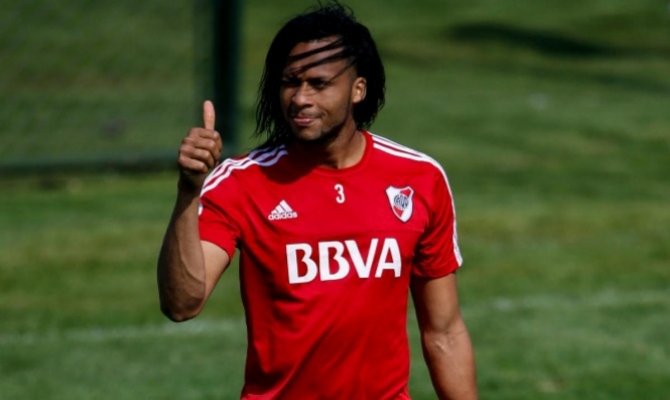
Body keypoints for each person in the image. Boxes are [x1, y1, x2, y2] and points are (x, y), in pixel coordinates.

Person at [157, 3, 477, 399]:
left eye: (319, 83)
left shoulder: (420, 179)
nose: (299, 98)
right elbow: (182, 304)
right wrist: (188, 192)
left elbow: (444, 332)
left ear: (358, 89)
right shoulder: (241, 182)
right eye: (290, 82)